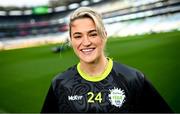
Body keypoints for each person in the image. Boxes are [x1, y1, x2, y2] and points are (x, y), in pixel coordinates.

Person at [41, 7, 173, 113]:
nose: (86, 42)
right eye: (78, 36)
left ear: (104, 36)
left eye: (93, 34)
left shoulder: (133, 78)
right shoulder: (60, 84)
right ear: (71, 40)